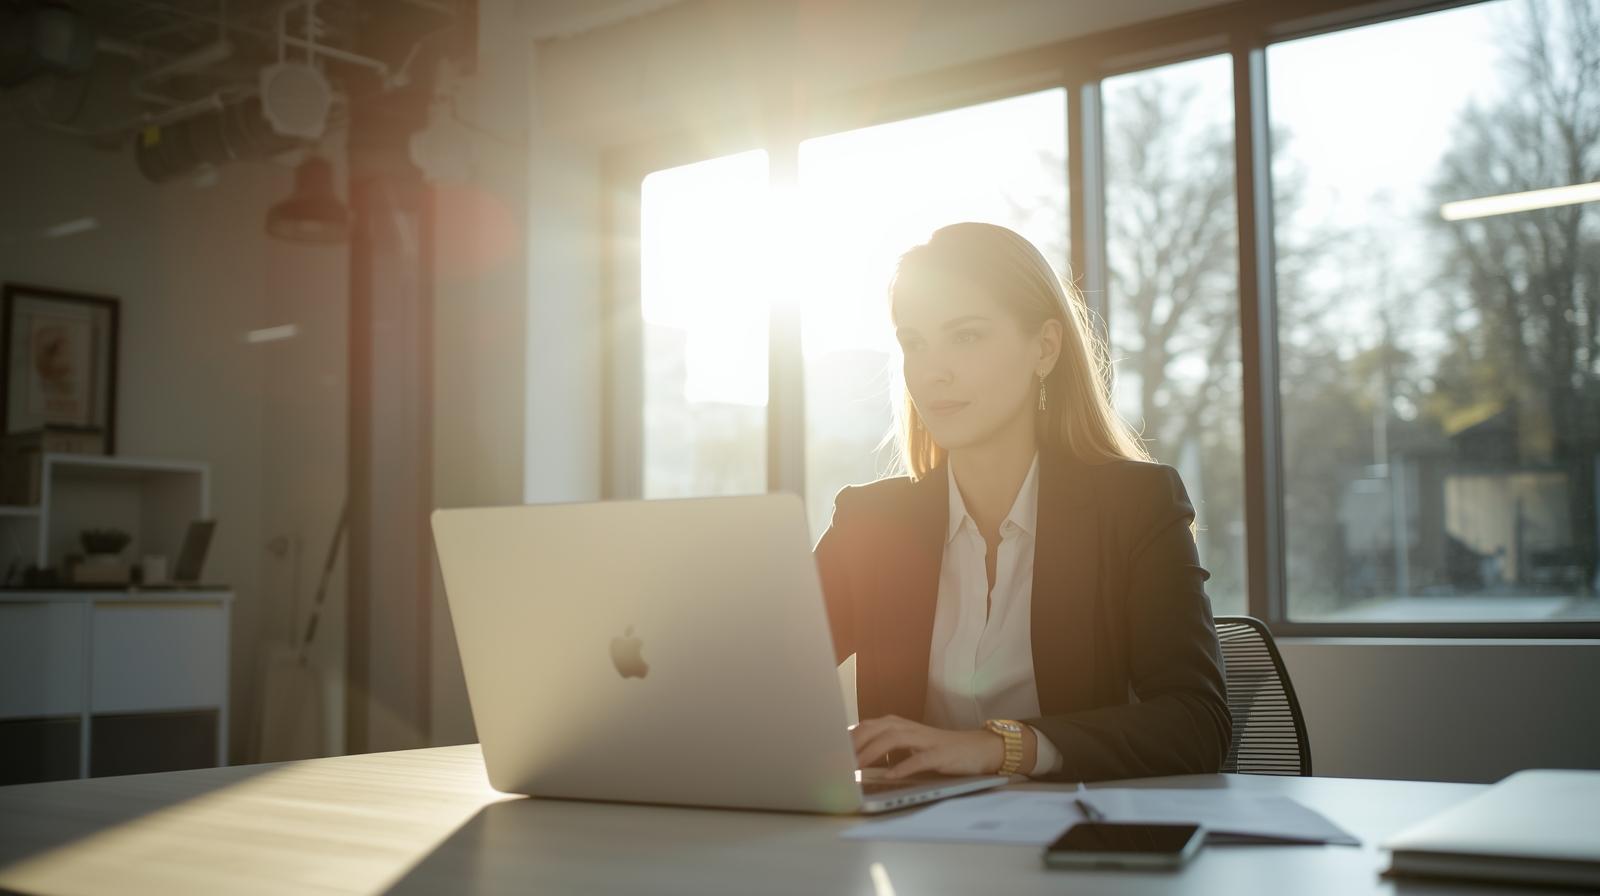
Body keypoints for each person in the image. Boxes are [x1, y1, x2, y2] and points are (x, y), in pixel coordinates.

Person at [815, 222, 1231, 783]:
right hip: (912, 846)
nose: (932, 371)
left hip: (1078, 844)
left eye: (965, 336)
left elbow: (1196, 724)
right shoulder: (871, 523)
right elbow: (762, 672)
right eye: (914, 343)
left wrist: (1002, 748)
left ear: (1045, 347)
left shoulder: (1136, 507)